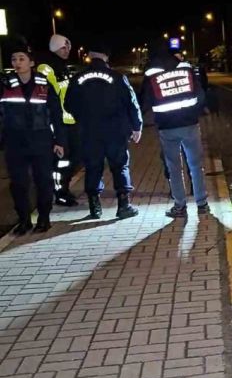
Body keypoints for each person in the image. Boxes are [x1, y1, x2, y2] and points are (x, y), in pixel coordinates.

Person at [64, 44, 142, 220]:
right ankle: (124, 206)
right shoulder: (118, 77)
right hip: (115, 131)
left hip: (89, 132)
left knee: (93, 168)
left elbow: (68, 104)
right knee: (120, 166)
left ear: (90, 57)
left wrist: (82, 118)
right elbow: (131, 103)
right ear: (106, 57)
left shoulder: (77, 78)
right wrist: (136, 127)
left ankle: (94, 208)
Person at [0, 43, 66, 234]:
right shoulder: (5, 84)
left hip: (41, 140)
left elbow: (56, 114)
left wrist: (59, 141)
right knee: (19, 184)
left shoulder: (44, 84)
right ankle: (24, 220)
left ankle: (44, 218)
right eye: (14, 59)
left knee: (43, 181)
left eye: (21, 59)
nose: (17, 63)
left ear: (31, 62)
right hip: (15, 143)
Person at [141, 42, 209, 218]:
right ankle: (202, 203)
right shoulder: (186, 69)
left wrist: (138, 122)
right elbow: (200, 94)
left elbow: (145, 101)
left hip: (167, 127)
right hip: (190, 124)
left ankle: (180, 206)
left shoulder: (151, 74)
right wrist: (195, 112)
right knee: (195, 165)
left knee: (174, 167)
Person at [37, 34, 81, 207]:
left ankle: (64, 188)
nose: (67, 50)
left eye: (68, 47)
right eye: (64, 47)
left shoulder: (62, 66)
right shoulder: (46, 67)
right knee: (61, 161)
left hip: (70, 121)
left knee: (74, 158)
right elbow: (48, 97)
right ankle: (60, 192)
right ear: (55, 48)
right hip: (58, 122)